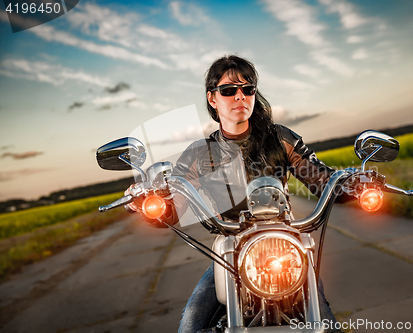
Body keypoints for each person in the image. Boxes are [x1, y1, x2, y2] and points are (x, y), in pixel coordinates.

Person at [129, 55, 346, 333]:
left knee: (324, 323)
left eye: (248, 89)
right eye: (229, 90)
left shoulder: (279, 137)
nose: (240, 96)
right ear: (212, 98)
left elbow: (319, 178)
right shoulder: (199, 153)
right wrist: (154, 202)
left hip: (285, 247)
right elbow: (177, 201)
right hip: (231, 252)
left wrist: (354, 182)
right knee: (190, 324)